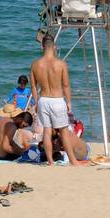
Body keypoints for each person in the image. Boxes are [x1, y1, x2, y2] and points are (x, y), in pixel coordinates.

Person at [29, 35, 80, 167]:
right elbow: (66, 85)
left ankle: (50, 161)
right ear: (54, 47)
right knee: (63, 131)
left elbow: (33, 86)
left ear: (42, 47)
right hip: (57, 100)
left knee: (47, 130)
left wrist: (35, 101)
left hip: (43, 99)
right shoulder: (61, 64)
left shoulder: (35, 64)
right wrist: (69, 102)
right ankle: (73, 161)